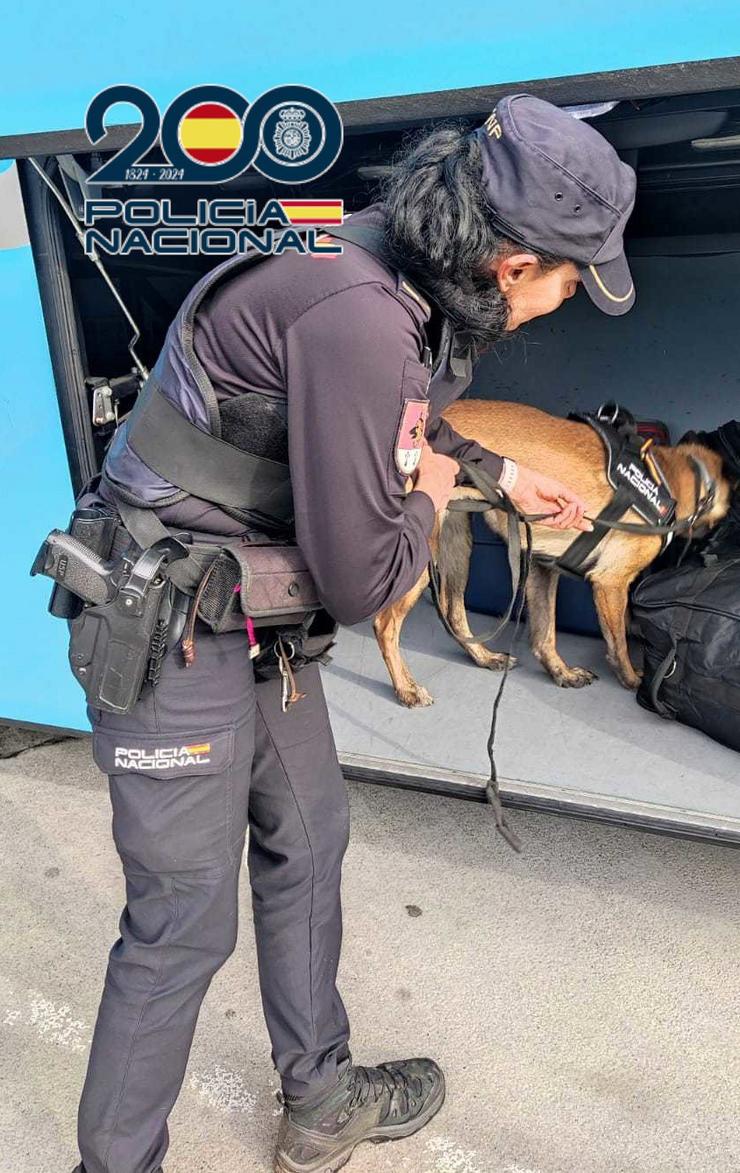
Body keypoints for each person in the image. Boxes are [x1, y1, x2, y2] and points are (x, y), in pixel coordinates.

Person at [71, 94, 636, 1173]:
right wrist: (428, 493)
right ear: (511, 264)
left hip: (250, 614)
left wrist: (491, 470)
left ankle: (320, 1099)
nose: (566, 301)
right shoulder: (359, 308)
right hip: (170, 628)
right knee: (180, 927)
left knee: (308, 840)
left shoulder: (402, 266)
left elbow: (401, 416)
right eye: (570, 281)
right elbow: (359, 576)